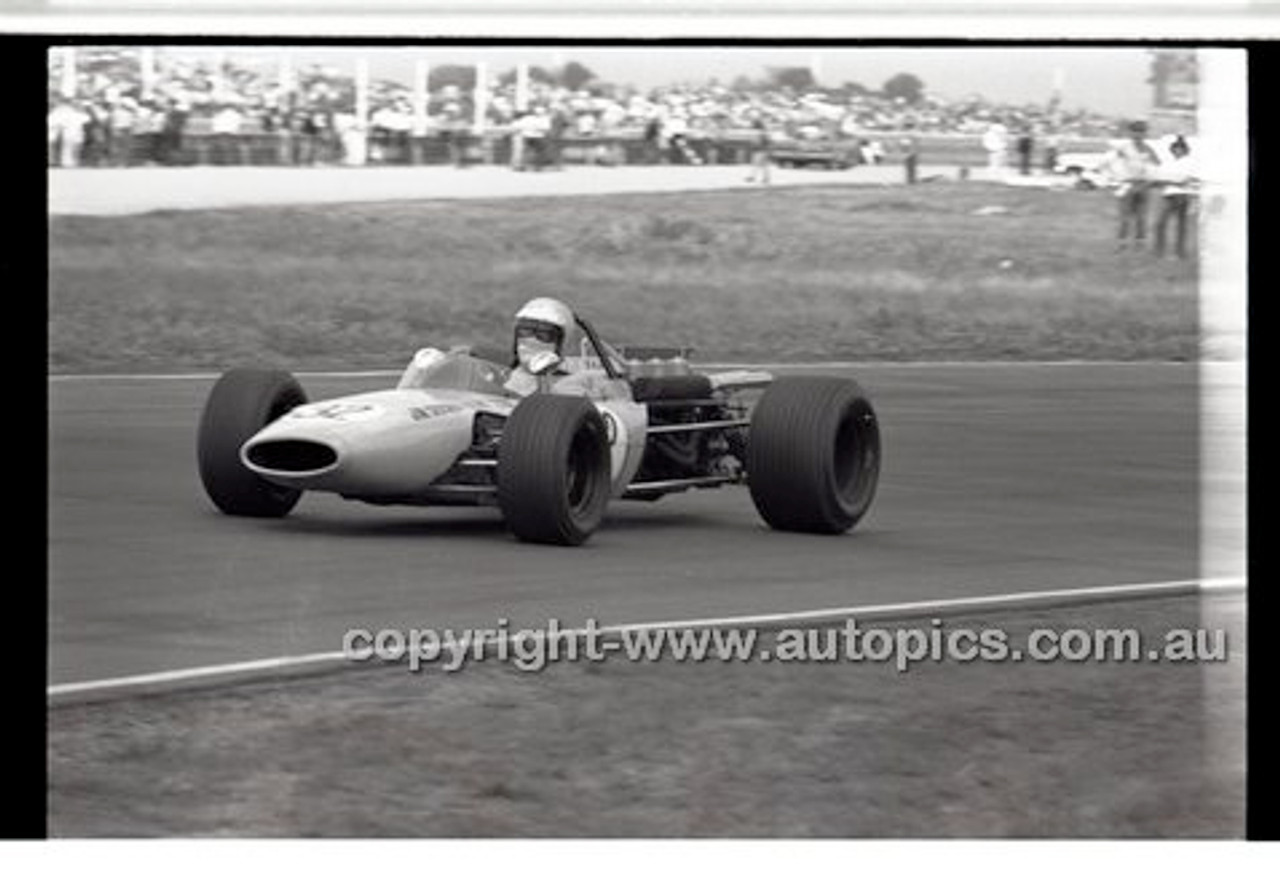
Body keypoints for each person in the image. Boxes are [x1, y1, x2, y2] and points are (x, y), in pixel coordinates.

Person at [1106, 120, 1161, 252]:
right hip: (1127, 185)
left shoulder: (1148, 149)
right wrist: (1118, 180)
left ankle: (1140, 245)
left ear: (1145, 134)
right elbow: (1112, 163)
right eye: (1135, 132)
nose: (1138, 135)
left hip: (1143, 186)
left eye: (1141, 132)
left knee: (1141, 218)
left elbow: (1157, 164)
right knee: (1125, 218)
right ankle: (1121, 245)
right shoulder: (1124, 148)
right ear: (1131, 133)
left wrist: (1149, 180)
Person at [504, 297, 576, 396]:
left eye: (544, 333)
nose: (532, 339)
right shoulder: (501, 376)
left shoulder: (570, 386)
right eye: (525, 330)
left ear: (560, 343)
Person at [1154, 136, 1197, 259]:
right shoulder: (1169, 163)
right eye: (1176, 148)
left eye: (1180, 148)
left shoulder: (1189, 162)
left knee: (1180, 226)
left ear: (1185, 150)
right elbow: (1160, 179)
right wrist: (1169, 181)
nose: (1178, 150)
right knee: (1160, 223)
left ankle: (1180, 252)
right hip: (1168, 195)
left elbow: (1185, 180)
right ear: (1172, 149)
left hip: (1181, 195)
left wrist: (1170, 181)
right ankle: (1160, 252)